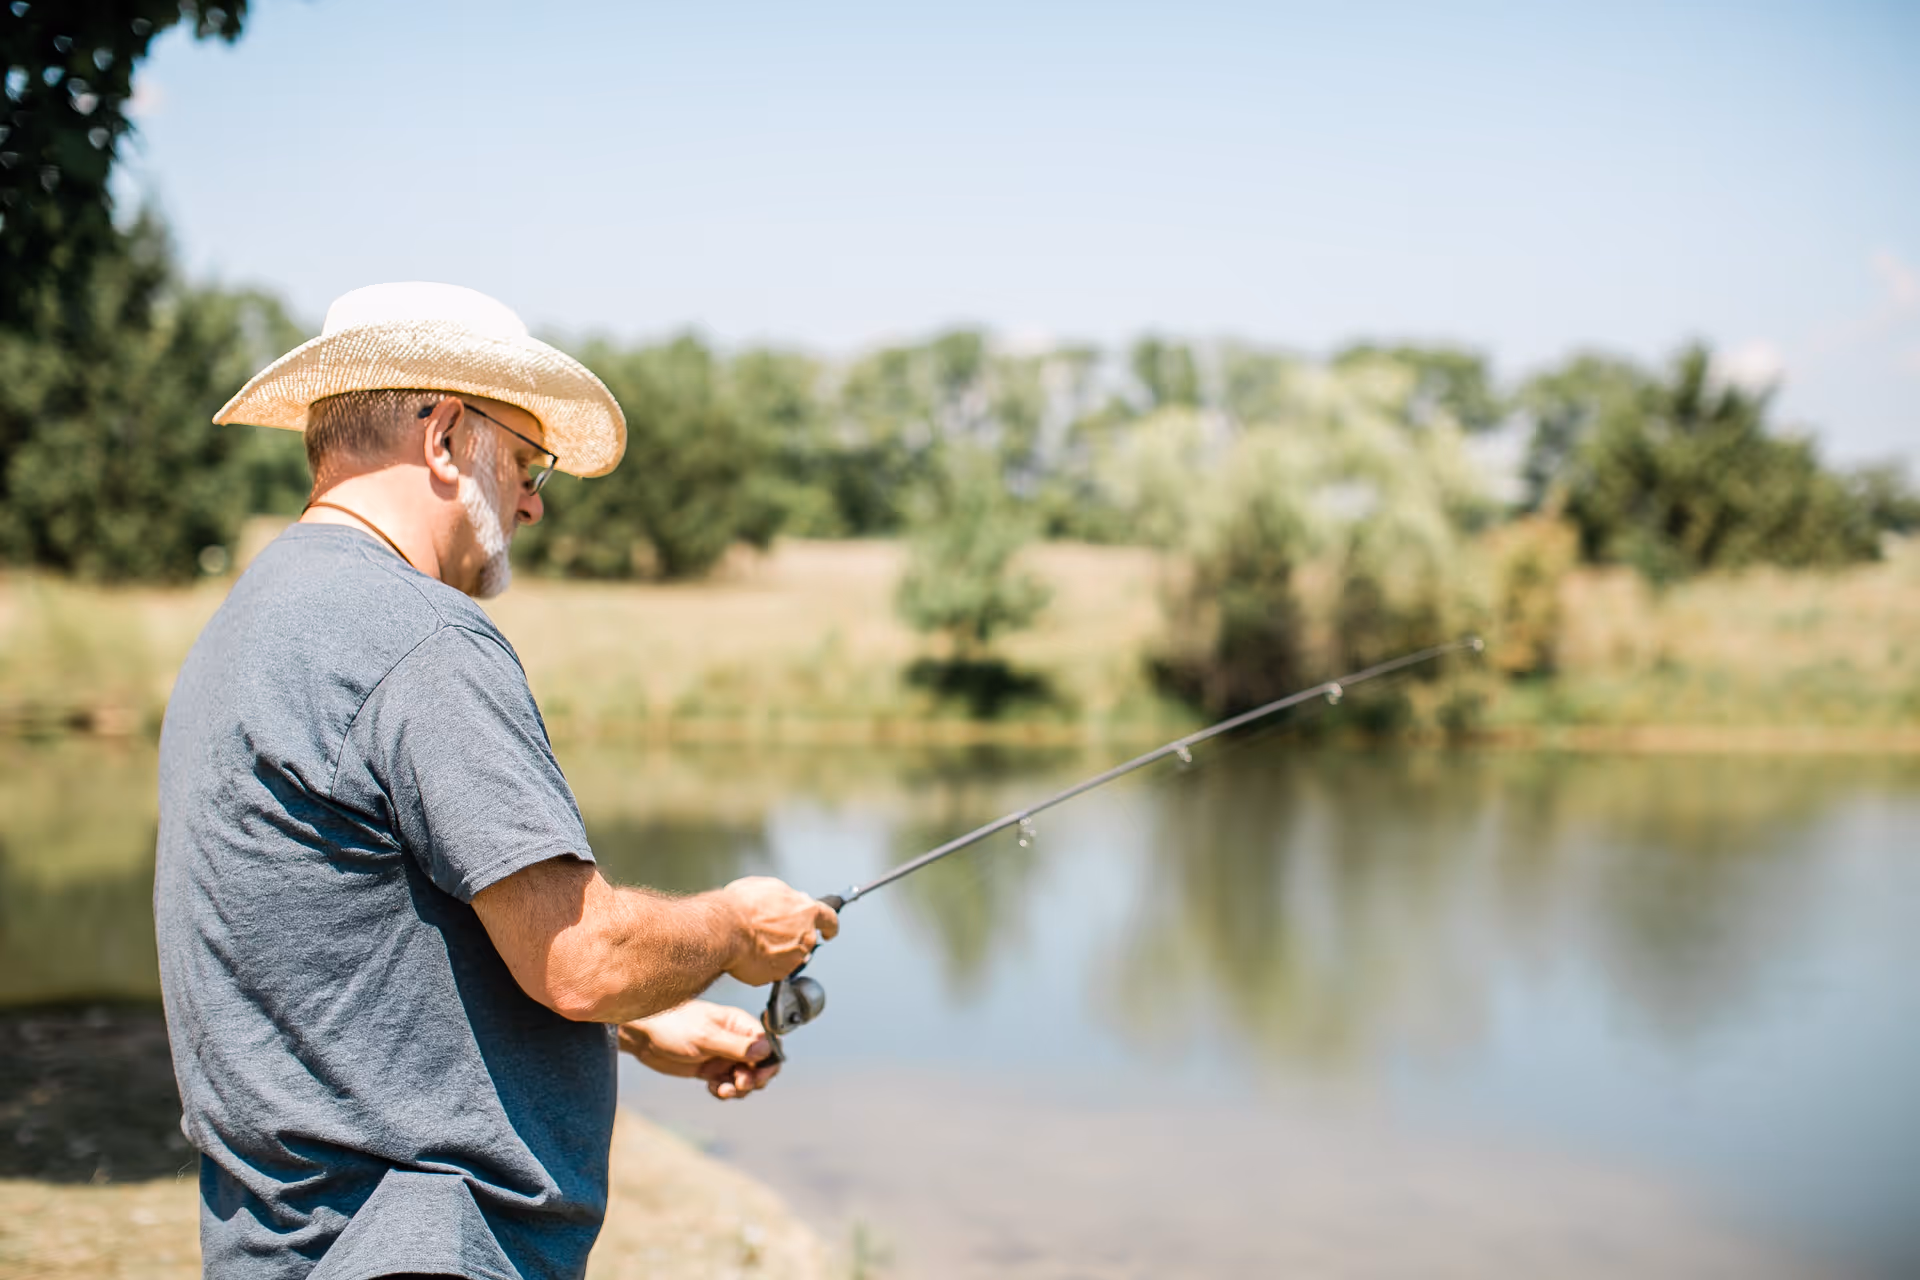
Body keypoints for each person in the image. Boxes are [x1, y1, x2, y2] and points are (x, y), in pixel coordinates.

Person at [154, 282, 839, 1280]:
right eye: (524, 459)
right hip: (423, 1244)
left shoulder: (251, 623)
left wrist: (636, 1020)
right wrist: (738, 929)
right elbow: (581, 956)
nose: (532, 499)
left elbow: (335, 940)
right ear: (442, 437)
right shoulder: (422, 637)